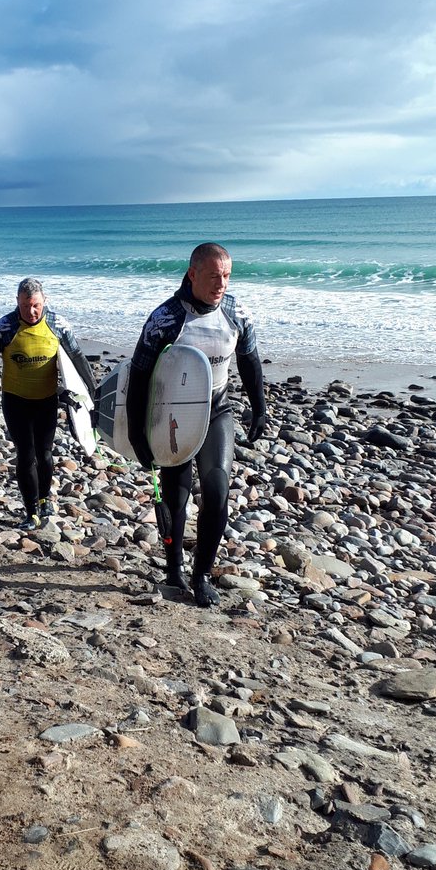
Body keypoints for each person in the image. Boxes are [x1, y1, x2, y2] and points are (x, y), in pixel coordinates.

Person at [126, 242, 268, 608]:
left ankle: (201, 574)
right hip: (172, 412)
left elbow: (250, 362)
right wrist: (137, 431)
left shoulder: (236, 312)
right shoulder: (166, 319)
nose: (221, 284)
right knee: (176, 496)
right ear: (192, 274)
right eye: (212, 276)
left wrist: (260, 407)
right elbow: (139, 376)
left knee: (218, 490)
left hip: (218, 408)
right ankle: (173, 567)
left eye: (226, 276)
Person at [0, 277, 97, 530]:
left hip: (46, 400)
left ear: (45, 301)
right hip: (15, 401)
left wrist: (93, 392)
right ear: (17, 302)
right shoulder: (4, 327)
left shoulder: (58, 325)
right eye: (25, 306)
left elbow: (77, 357)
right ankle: (31, 511)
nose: (31, 311)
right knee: (25, 454)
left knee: (45, 453)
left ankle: (45, 499)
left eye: (35, 305)